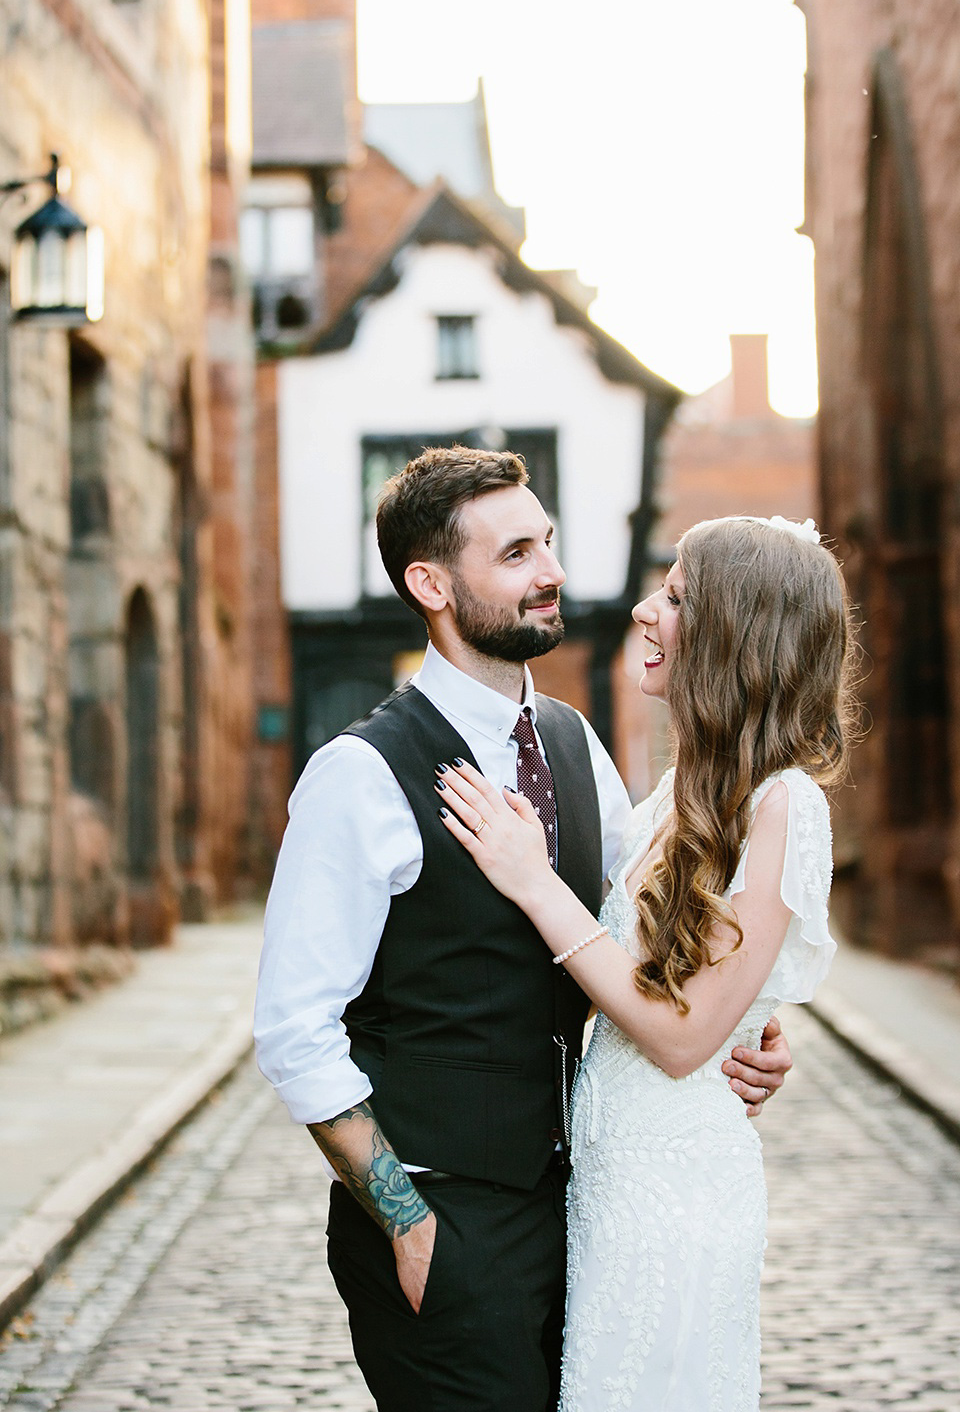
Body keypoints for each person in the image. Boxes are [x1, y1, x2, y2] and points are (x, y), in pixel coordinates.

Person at [254, 450, 794, 1412]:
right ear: (433, 584)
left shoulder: (579, 746)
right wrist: (407, 1223)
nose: (550, 570)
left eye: (546, 541)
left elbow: (643, 946)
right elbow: (296, 1030)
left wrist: (734, 1034)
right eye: (514, 553)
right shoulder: (359, 775)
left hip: (584, 1213)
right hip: (443, 1216)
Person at [432, 512, 857, 1411]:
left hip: (678, 1202)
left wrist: (530, 880)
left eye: (674, 597)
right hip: (611, 1191)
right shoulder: (679, 792)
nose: (642, 611)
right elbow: (678, 986)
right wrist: (750, 1019)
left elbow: (681, 1037)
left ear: (735, 634)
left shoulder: (784, 805)